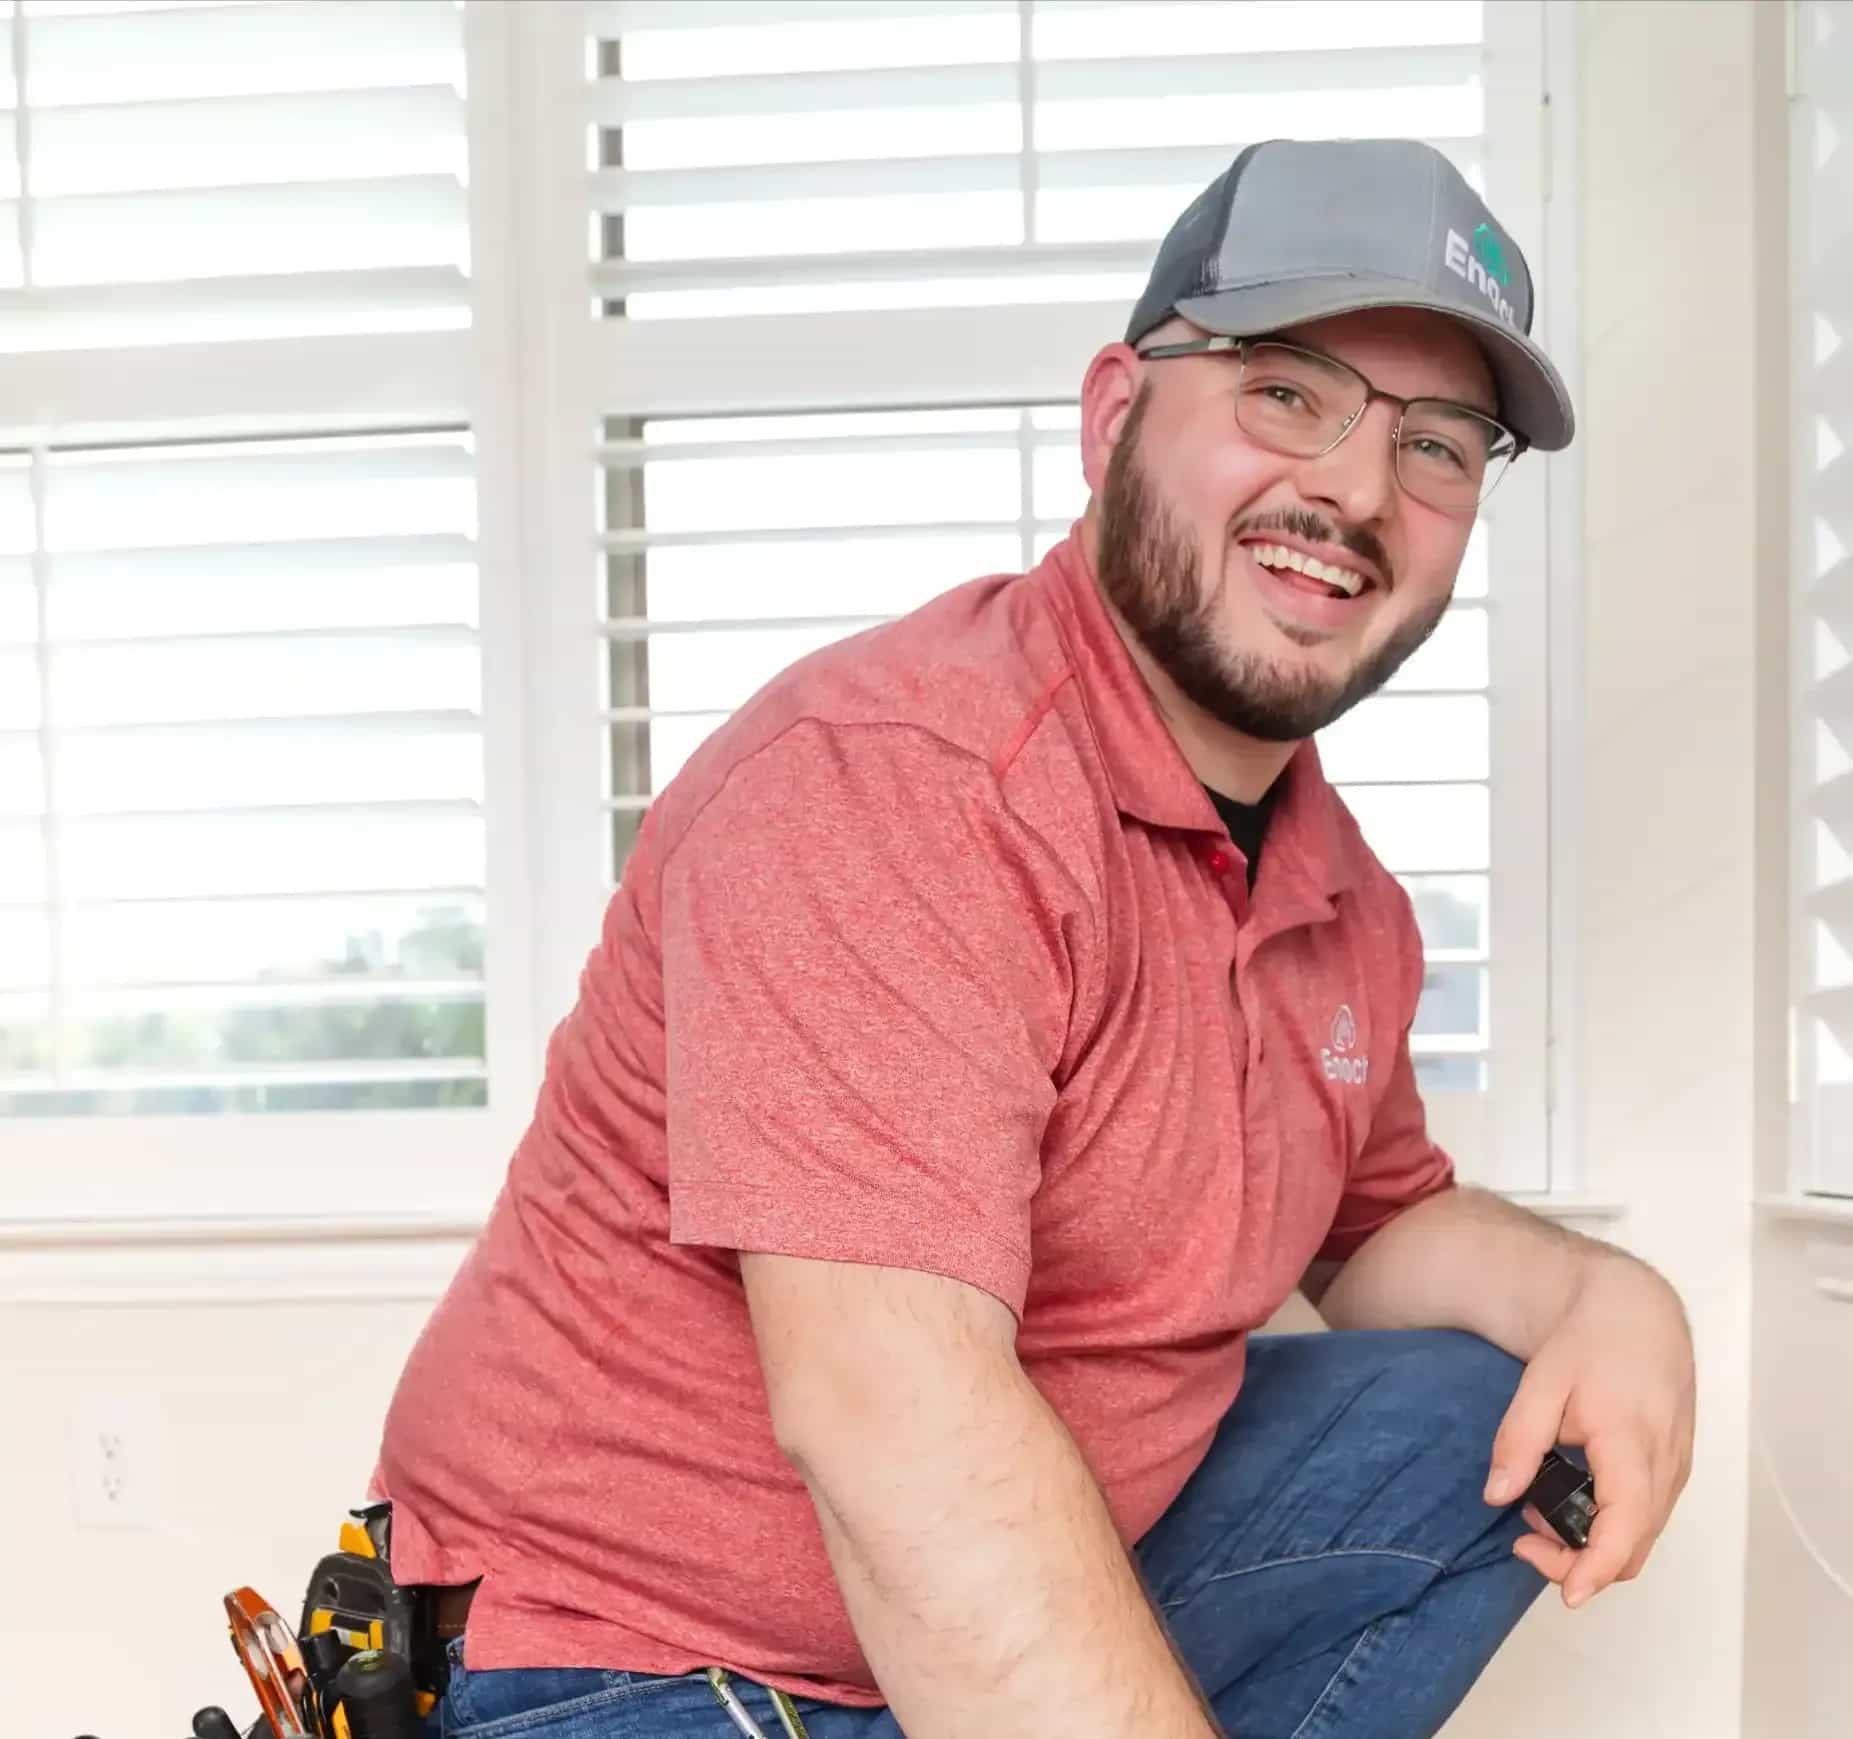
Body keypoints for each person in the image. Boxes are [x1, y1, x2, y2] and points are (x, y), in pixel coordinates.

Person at [372, 138, 1695, 1739]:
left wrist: (1612, 1301)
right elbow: (889, 1420)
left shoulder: (1340, 893)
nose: (1355, 488)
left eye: (1437, 445)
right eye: (1286, 392)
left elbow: (1373, 1228)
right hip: (622, 1664)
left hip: (962, 1620)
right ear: (1111, 415)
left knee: (1479, 1410)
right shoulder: (896, 784)